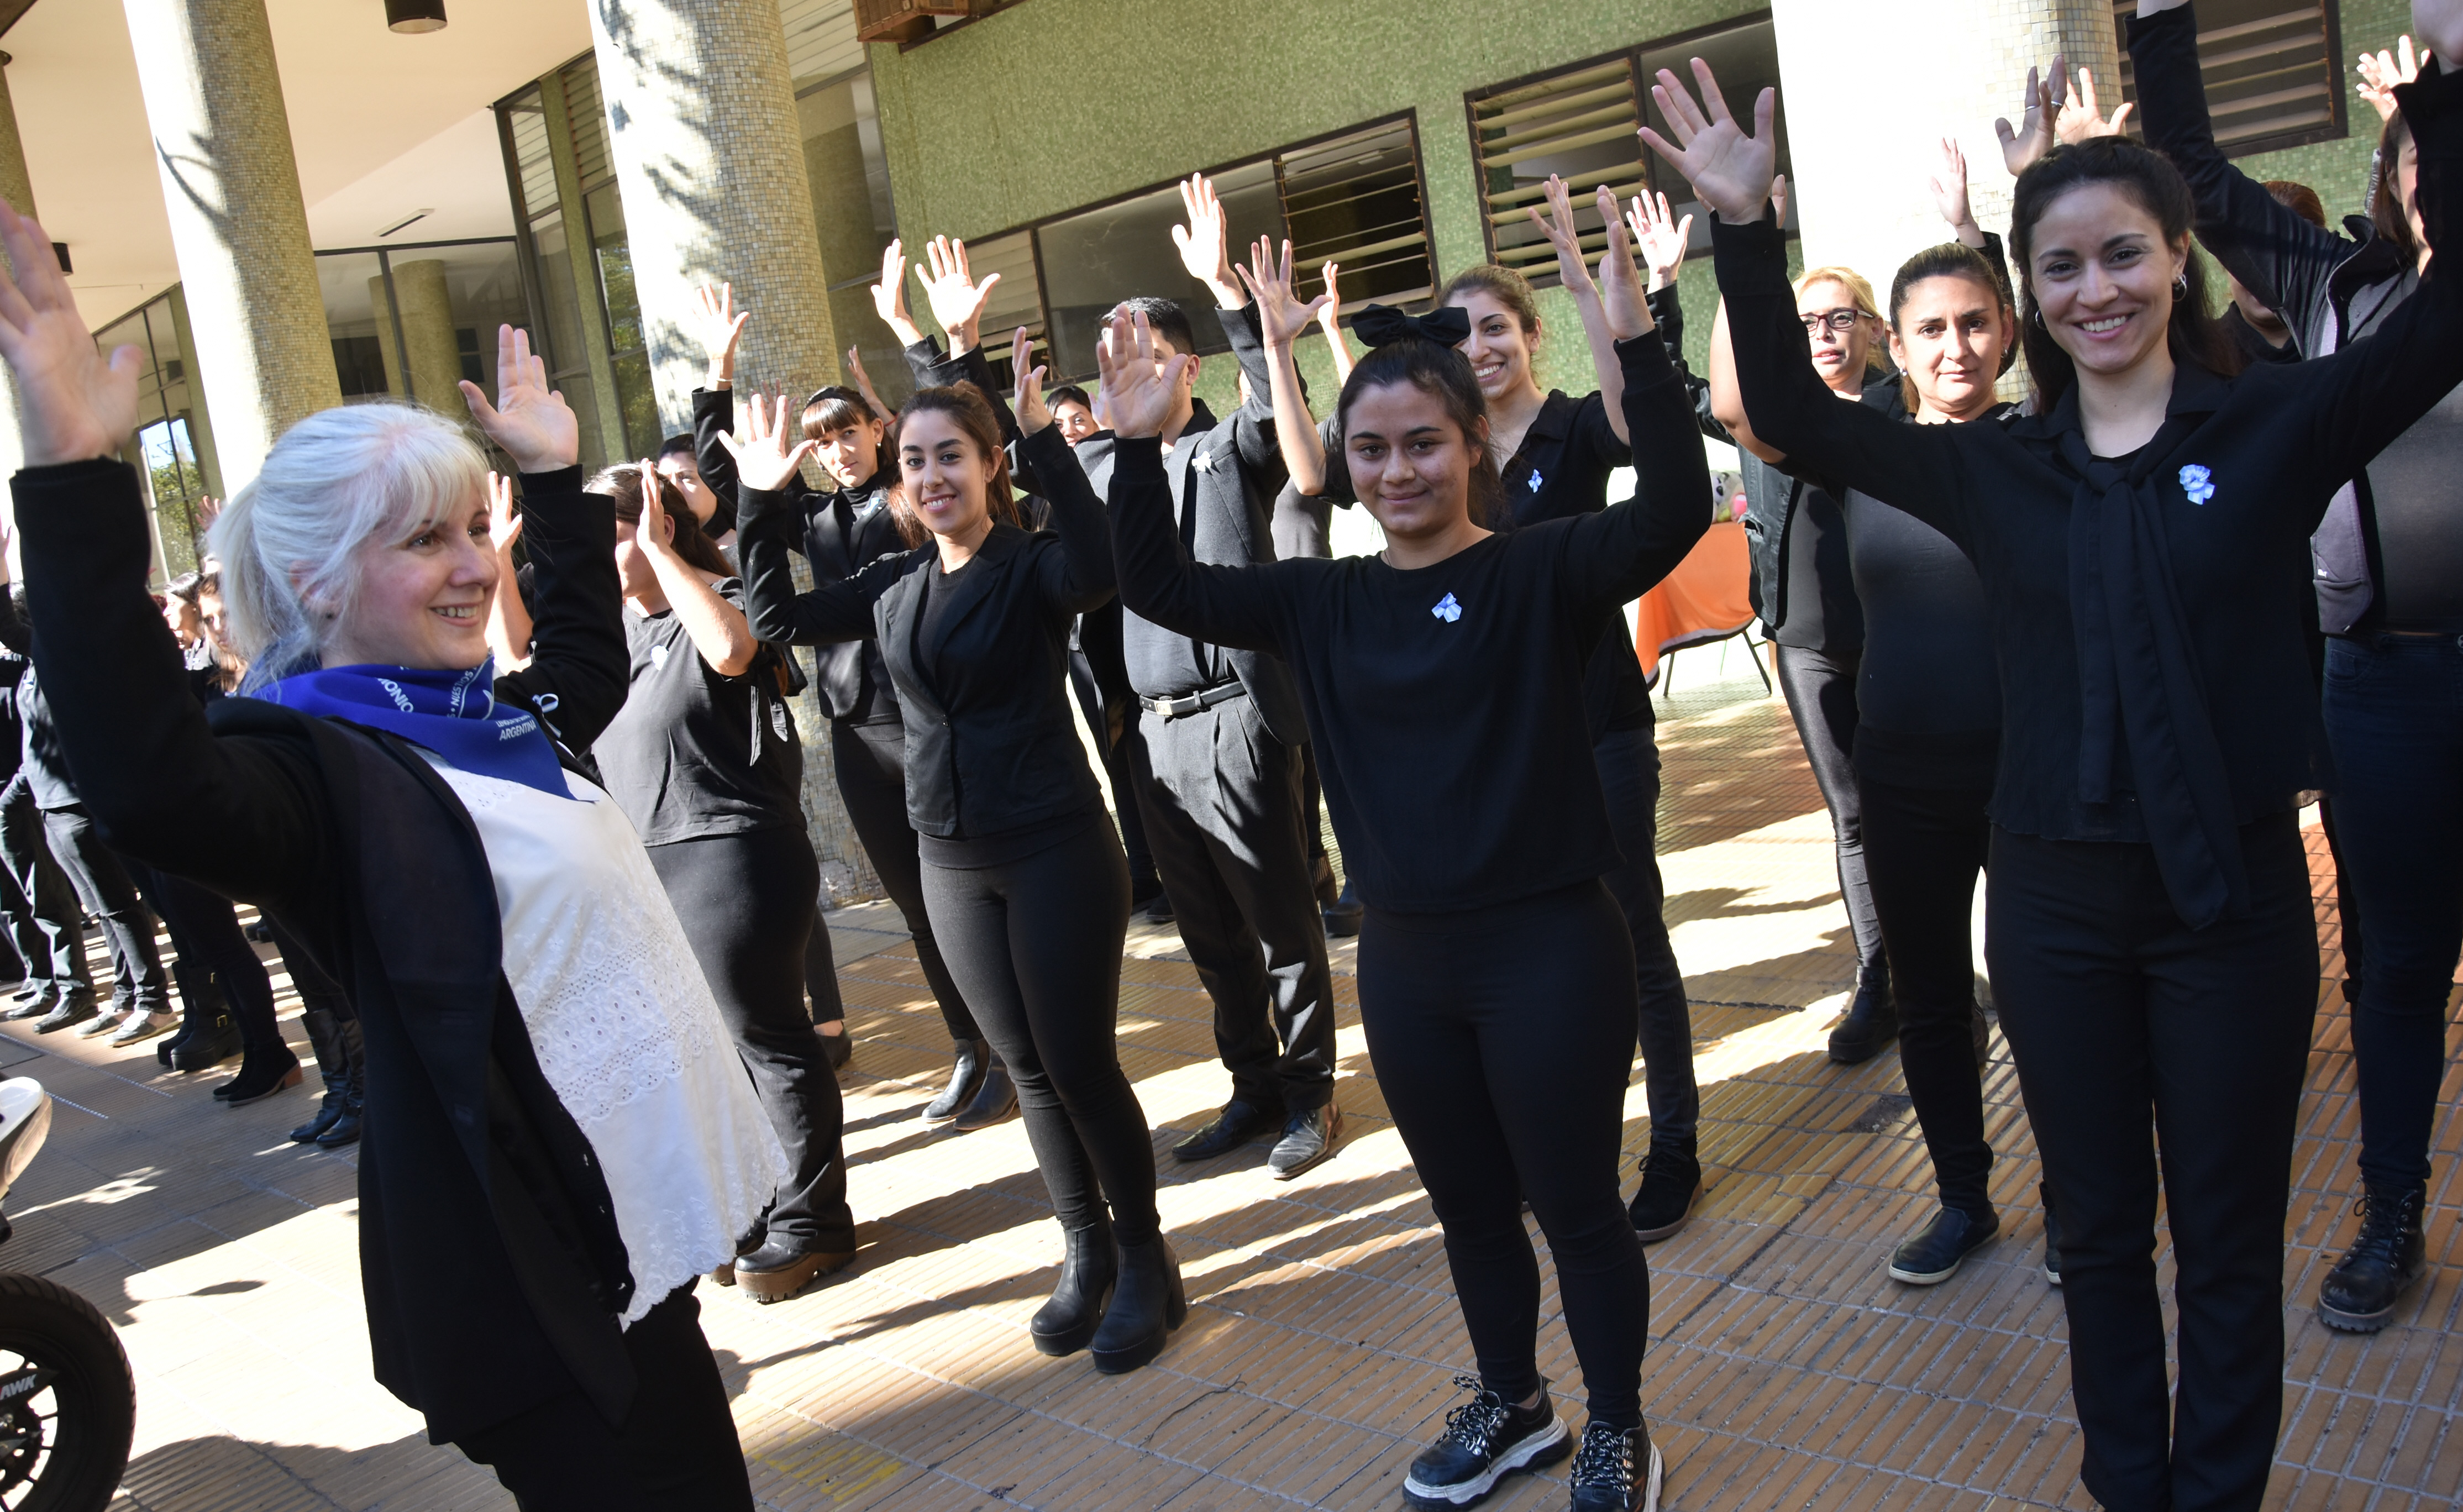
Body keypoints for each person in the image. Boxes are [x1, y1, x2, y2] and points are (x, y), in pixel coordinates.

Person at [1647, 20, 2463, 1505]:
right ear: (2032, 290)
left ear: (2177, 260)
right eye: (2064, 265)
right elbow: (1797, 416)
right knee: (2095, 1235)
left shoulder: (2272, 423)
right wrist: (1746, 231)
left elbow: (2451, 313)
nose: (2098, 289)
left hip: (2233, 911)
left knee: (2227, 1242)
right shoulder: (1992, 466)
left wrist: (2454, 93)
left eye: (2125, 254)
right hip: (2056, 909)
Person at [0, 203, 785, 1505]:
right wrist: (76, 480)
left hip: (636, 1242)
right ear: (316, 582)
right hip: (545, 1289)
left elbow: (582, 664)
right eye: (425, 540)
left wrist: (549, 481)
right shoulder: (313, 766)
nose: (474, 566)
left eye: (475, 527)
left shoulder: (481, 716)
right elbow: (153, 790)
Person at [1110, 190, 1704, 1510]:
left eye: (1423, 444)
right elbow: (1159, 588)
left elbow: (1670, 510)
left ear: (1471, 445)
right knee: (1471, 1210)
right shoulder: (1322, 600)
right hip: (1411, 964)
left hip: (1551, 950)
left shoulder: (1538, 569)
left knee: (1576, 1206)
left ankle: (1618, 1424)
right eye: (1370, 449)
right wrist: (1140, 450)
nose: (1396, 472)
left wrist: (1643, 342)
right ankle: (1516, 1404)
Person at [734, 332, 1183, 1375]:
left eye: (951, 456)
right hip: (951, 862)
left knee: (1078, 1063)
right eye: (916, 461)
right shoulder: (895, 581)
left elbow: (1103, 568)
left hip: (1054, 848)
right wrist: (758, 500)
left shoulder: (1032, 567)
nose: (932, 476)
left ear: (988, 467)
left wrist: (1044, 441)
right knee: (1026, 1069)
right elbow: (772, 617)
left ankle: (1145, 1256)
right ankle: (1084, 1249)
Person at [2130, 0, 2457, 1339]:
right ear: (2394, 171)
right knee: (2399, 967)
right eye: (2423, 147)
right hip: (2383, 686)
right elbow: (2198, 179)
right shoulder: (2340, 288)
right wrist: (2159, 20)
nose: (2439, 169)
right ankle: (2392, 1213)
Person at [1048, 175, 1342, 1182]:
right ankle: (1252, 1086)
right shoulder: (1101, 473)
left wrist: (1227, 294)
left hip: (1238, 720)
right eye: (1110, 358)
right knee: (1209, 936)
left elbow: (1277, 418)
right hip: (1152, 732)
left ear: (1184, 366)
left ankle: (1309, 1092)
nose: (1121, 372)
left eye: (1141, 353)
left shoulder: (1228, 449)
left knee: (1279, 922)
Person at [686, 279, 1001, 1124]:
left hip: (927, 720)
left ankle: (1008, 1048)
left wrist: (929, 343)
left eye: (846, 434)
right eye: (821, 442)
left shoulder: (916, 498)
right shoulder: (816, 519)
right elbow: (724, 478)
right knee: (914, 904)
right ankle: (968, 1048)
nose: (835, 451)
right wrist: (716, 373)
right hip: (855, 729)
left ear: (877, 430)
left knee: (964, 893)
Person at [561, 461, 858, 1303]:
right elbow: (520, 662)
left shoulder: (719, 596)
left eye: (606, 537)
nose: (589, 558)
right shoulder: (616, 633)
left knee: (766, 1038)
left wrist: (661, 552)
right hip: (648, 859)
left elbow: (731, 652)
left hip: (731, 851)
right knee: (713, 1052)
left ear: (654, 525)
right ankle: (759, 1205)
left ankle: (815, 1221)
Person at [1708, 251, 1896, 1063]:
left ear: (1873, 329)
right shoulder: (1770, 409)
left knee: (1930, 811)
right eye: (1806, 321)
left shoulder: (1900, 405)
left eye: (1840, 317)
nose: (1823, 333)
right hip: (1805, 643)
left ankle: (1950, 973)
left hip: (1897, 638)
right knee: (1852, 818)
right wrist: (1699, 283)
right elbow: (1701, 395)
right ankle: (1879, 977)